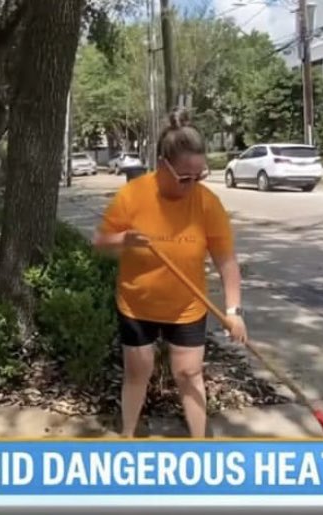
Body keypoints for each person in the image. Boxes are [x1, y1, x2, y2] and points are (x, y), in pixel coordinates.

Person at [93, 109, 248, 438]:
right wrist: (124, 240)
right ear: (163, 163)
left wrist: (234, 311)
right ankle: (128, 436)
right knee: (139, 370)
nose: (192, 185)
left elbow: (226, 261)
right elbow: (100, 244)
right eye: (184, 178)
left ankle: (199, 445)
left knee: (189, 373)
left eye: (199, 176)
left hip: (187, 305)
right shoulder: (132, 196)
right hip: (137, 303)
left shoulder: (207, 204)